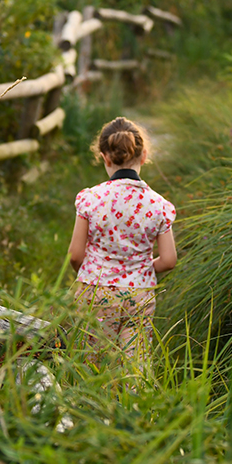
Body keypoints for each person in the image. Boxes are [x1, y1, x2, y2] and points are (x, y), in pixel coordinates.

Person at [67, 117, 177, 366]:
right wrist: (142, 269)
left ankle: (92, 405)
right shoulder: (159, 205)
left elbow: (75, 255)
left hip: (95, 291)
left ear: (105, 158)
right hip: (138, 294)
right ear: (144, 155)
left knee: (90, 365)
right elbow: (169, 260)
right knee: (134, 368)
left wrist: (90, 274)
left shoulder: (90, 199)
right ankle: (133, 403)